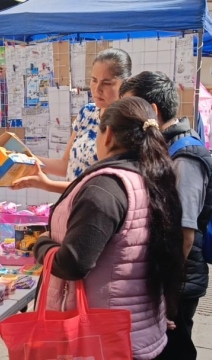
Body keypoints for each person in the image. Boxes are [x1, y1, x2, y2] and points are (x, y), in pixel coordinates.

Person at [33, 97, 185, 360]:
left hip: (100, 340)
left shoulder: (104, 188)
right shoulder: (152, 179)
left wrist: (42, 244)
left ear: (108, 135)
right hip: (138, 331)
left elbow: (72, 263)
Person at [120, 71, 212, 360]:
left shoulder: (185, 157)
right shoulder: (168, 148)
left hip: (179, 282)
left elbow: (184, 235)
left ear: (152, 110)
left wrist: (165, 297)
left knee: (174, 350)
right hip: (171, 279)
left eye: (131, 108)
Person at [12, 48, 132, 193]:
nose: (97, 89)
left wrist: (48, 185)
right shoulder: (87, 113)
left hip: (97, 207)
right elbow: (65, 165)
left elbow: (104, 189)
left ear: (125, 83)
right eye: (94, 80)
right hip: (72, 206)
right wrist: (22, 159)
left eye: (107, 83)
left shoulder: (126, 124)